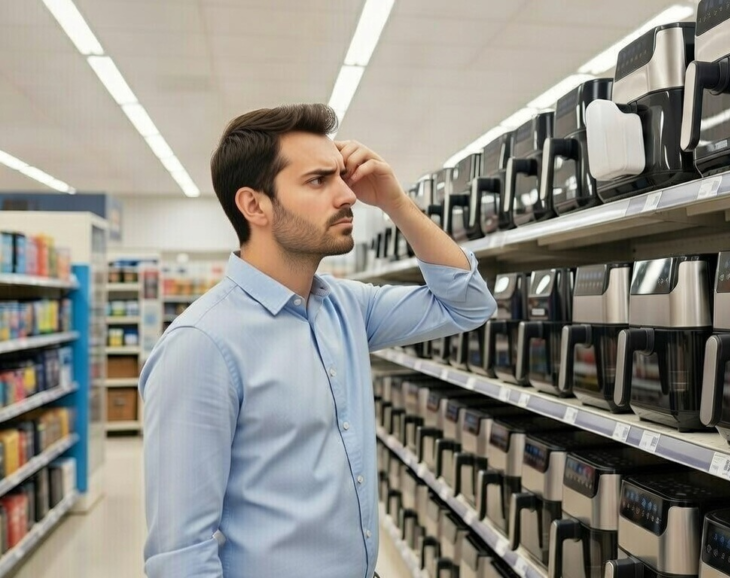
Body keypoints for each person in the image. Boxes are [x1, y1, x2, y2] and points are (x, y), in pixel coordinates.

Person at [139, 103, 496, 578]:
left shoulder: (349, 308)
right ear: (255, 205)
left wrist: (395, 202)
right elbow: (180, 554)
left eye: (341, 176)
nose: (347, 194)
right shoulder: (201, 345)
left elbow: (468, 304)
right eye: (318, 180)